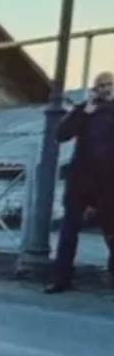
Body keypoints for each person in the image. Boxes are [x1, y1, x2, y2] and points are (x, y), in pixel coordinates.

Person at [47, 71, 114, 293]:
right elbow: (61, 134)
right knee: (69, 230)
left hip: (108, 182)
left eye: (109, 85)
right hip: (81, 181)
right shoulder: (85, 110)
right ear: (95, 89)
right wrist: (83, 112)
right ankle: (61, 278)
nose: (106, 89)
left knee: (111, 231)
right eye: (101, 85)